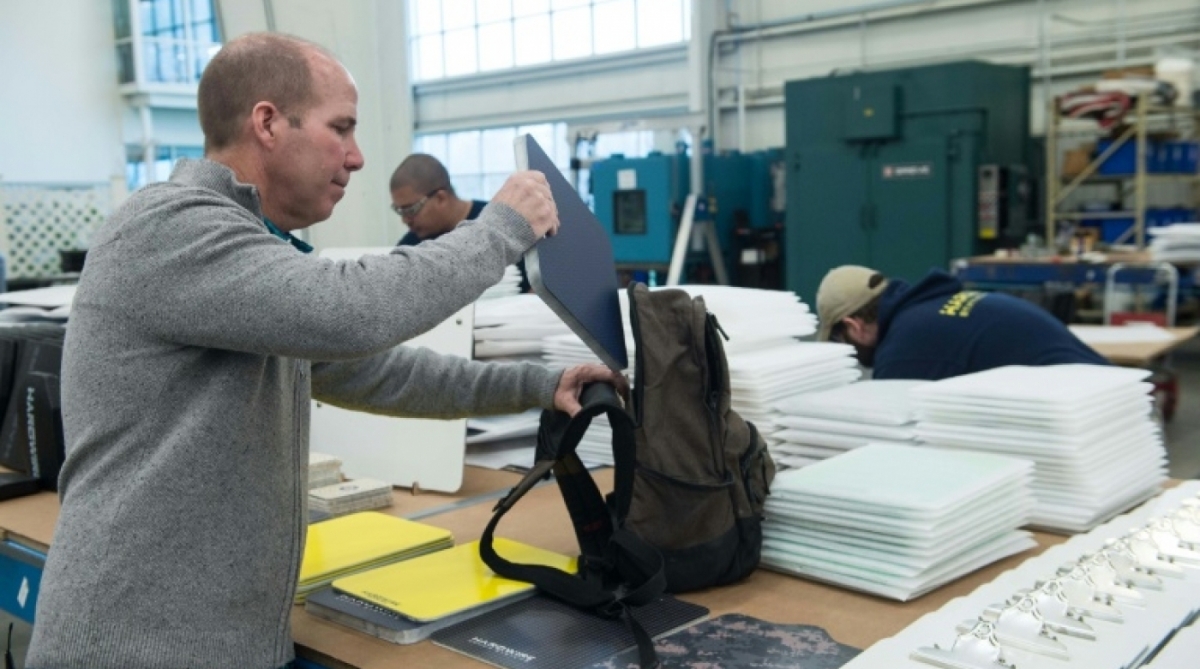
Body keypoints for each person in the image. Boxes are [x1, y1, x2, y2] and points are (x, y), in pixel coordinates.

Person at [27, 32, 621, 669]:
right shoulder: (170, 227)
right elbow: (352, 312)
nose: (357, 157)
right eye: (341, 128)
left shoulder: (244, 254)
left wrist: (538, 386)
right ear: (267, 123)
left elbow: (380, 373)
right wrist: (499, 229)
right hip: (137, 649)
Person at [816, 265, 1109, 380]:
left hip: (1093, 420)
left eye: (841, 341)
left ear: (854, 326)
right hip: (1113, 391)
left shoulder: (903, 353)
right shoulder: (930, 308)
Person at [391, 153, 531, 292]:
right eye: (399, 211)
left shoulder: (500, 225)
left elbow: (536, 285)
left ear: (441, 198)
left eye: (411, 210)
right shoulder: (411, 247)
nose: (405, 220)